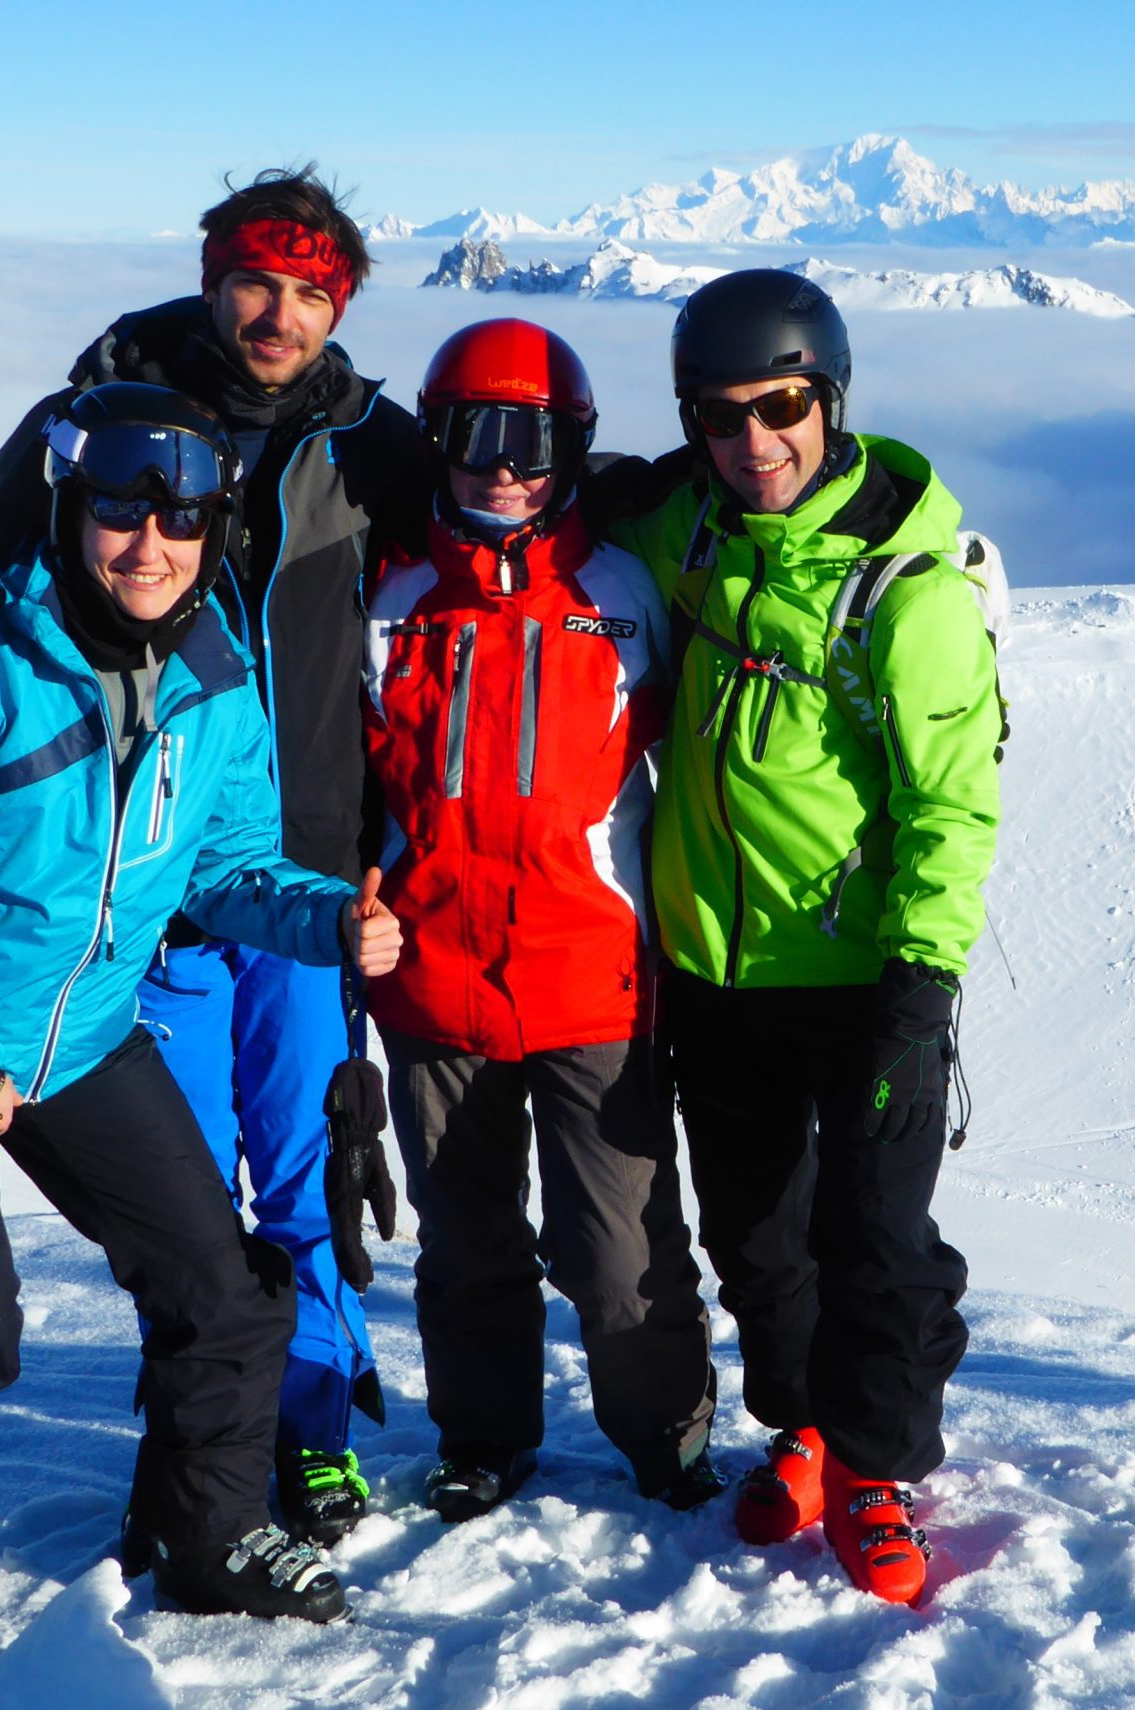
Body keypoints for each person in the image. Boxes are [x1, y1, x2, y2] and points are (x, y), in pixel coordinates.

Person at [0, 166, 436, 1547]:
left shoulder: (369, 441)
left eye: (311, 292)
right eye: (256, 279)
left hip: (298, 877)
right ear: (210, 271)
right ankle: (203, 1465)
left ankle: (307, 1430)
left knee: (306, 1169)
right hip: (140, 899)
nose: (278, 314)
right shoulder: (89, 420)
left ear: (339, 304)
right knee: (192, 1202)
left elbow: (511, 515)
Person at [0, 383, 401, 1648]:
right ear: (72, 511)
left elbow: (232, 865)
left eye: (181, 517)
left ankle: (210, 1526)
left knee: (225, 1291)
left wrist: (329, 920)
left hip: (80, 1040)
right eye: (122, 511)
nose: (149, 543)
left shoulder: (219, 675)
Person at [594, 270, 1001, 1604]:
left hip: (866, 976)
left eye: (780, 407)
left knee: (873, 1236)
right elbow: (561, 506)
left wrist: (924, 976)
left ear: (829, 400)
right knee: (758, 1240)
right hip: (717, 975)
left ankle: (879, 1466)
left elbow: (953, 798)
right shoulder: (688, 533)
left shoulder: (904, 589)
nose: (752, 440)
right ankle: (811, 1424)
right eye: (718, 417)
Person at [361, 319, 718, 1525]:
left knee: (617, 1251)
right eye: (474, 437)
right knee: (467, 1247)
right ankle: (485, 1435)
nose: (503, 469)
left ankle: (663, 1431)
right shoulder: (392, 593)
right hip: (432, 977)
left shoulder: (623, 590)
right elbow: (337, 777)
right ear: (436, 441)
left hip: (590, 976)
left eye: (535, 440)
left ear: (575, 449)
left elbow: (726, 702)